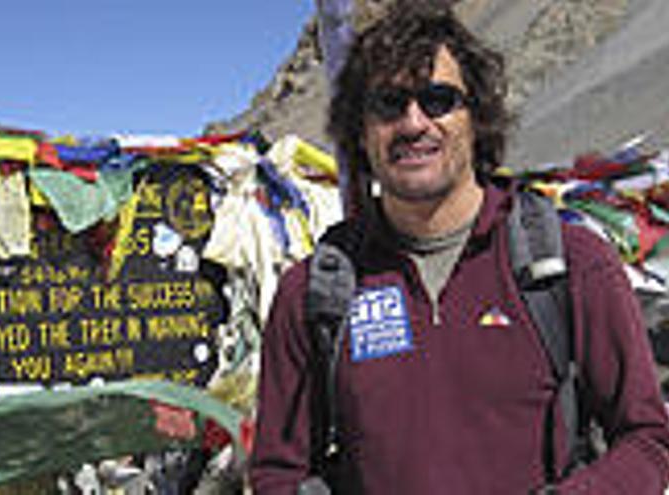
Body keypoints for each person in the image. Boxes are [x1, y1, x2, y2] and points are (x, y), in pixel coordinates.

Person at [250, 3, 669, 494]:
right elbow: (278, 474)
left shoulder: (572, 264)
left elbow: (647, 440)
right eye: (388, 103)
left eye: (438, 99)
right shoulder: (313, 293)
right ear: (360, 134)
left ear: (478, 118)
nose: (413, 124)